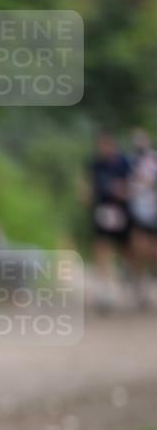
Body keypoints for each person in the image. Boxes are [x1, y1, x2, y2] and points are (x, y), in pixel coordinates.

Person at [88, 132, 132, 311]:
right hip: (103, 209)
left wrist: (123, 191)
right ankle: (105, 288)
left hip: (122, 210)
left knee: (127, 249)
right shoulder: (95, 164)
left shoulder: (124, 163)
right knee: (102, 246)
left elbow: (133, 185)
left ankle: (129, 275)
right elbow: (89, 185)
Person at [127, 128, 157, 307]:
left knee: (153, 251)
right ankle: (140, 284)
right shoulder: (129, 162)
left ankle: (148, 277)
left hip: (154, 211)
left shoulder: (153, 159)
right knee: (139, 249)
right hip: (137, 211)